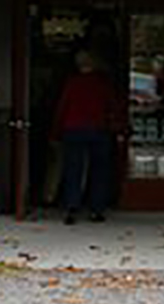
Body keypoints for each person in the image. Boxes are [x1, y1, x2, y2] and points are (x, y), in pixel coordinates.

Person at [52, 49, 123, 225]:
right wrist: (119, 125)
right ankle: (96, 209)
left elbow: (62, 107)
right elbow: (113, 105)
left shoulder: (72, 83)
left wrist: (56, 132)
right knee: (99, 170)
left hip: (73, 129)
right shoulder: (102, 83)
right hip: (98, 129)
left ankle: (71, 207)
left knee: (73, 169)